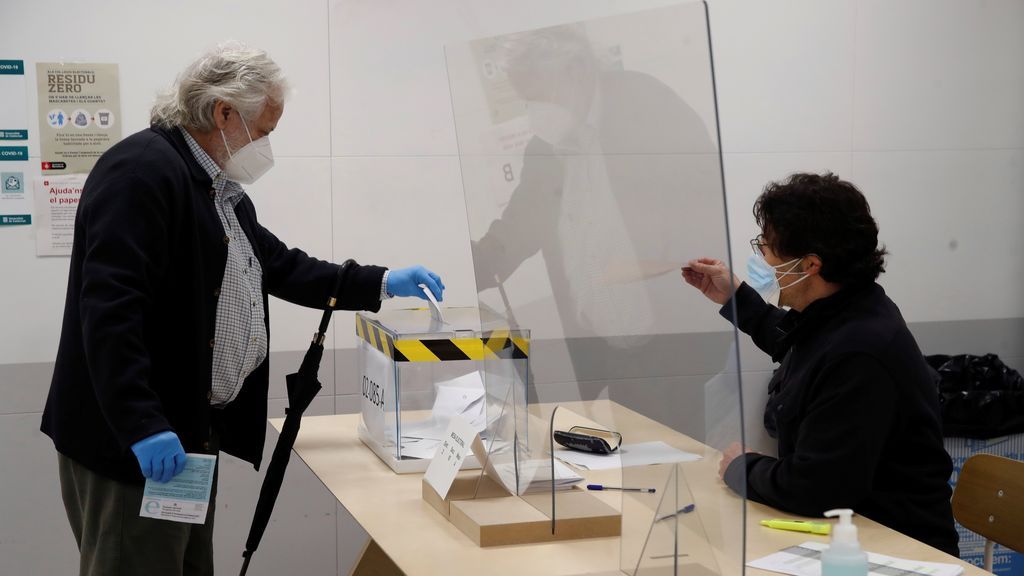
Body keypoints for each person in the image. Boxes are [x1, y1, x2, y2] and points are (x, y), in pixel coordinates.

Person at [40, 42, 444, 576]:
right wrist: (141, 424)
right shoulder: (141, 174)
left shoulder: (216, 190)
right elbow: (110, 311)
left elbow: (280, 266)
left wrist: (384, 282)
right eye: (265, 130)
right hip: (133, 448)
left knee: (184, 565)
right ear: (223, 112)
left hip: (188, 437)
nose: (267, 145)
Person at [681, 172, 959, 556]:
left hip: (896, 549)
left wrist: (741, 467)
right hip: (851, 532)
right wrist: (735, 297)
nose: (761, 255)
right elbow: (795, 343)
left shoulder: (861, 351)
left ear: (810, 264)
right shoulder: (848, 309)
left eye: (767, 247)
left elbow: (814, 489)